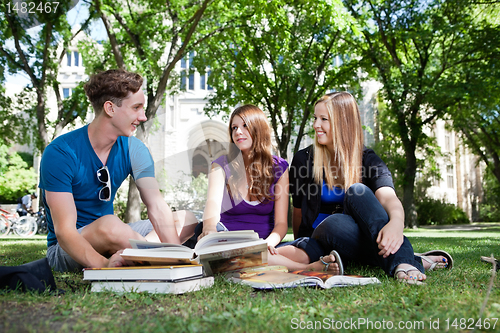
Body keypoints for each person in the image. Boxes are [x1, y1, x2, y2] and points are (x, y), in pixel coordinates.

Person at [39, 69, 197, 272]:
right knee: (110, 226)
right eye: (137, 108)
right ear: (110, 108)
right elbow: (65, 233)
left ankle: (157, 256)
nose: (143, 116)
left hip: (115, 234)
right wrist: (104, 264)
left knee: (186, 219)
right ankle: (155, 256)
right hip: (67, 248)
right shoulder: (61, 152)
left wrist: (177, 253)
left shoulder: (134, 149)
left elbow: (156, 205)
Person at [287, 91, 452, 284]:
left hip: (354, 238)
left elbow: (388, 197)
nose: (316, 125)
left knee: (359, 191)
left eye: (324, 119)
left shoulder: (368, 159)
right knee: (334, 223)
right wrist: (303, 247)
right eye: (315, 118)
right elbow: (297, 211)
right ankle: (411, 260)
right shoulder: (303, 160)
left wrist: (397, 223)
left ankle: (402, 262)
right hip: (322, 238)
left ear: (343, 123)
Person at [197, 104, 342, 274]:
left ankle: (250, 260)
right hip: (227, 243)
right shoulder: (220, 165)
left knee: (307, 250)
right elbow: (212, 203)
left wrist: (269, 243)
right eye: (234, 128)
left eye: (245, 126)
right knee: (236, 253)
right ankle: (306, 269)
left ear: (259, 129)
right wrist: (209, 228)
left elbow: (281, 223)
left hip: (267, 245)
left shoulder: (280, 168)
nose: (238, 132)